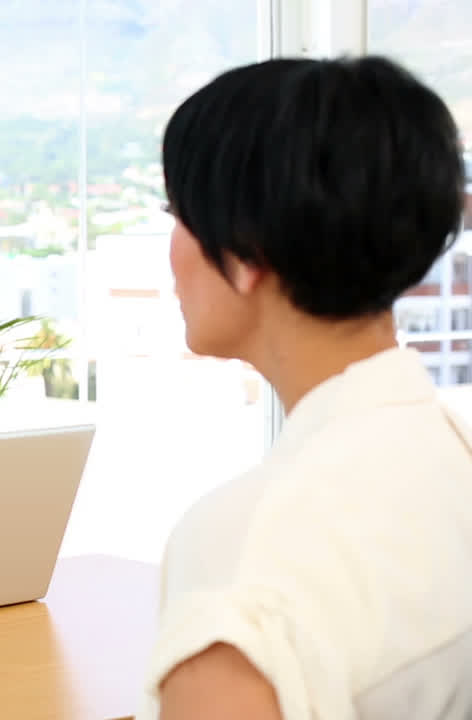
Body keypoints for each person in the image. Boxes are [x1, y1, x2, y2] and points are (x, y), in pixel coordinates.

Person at [139, 56, 472, 719]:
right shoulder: (451, 454)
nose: (171, 249)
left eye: (178, 213)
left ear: (246, 249)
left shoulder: (242, 547)